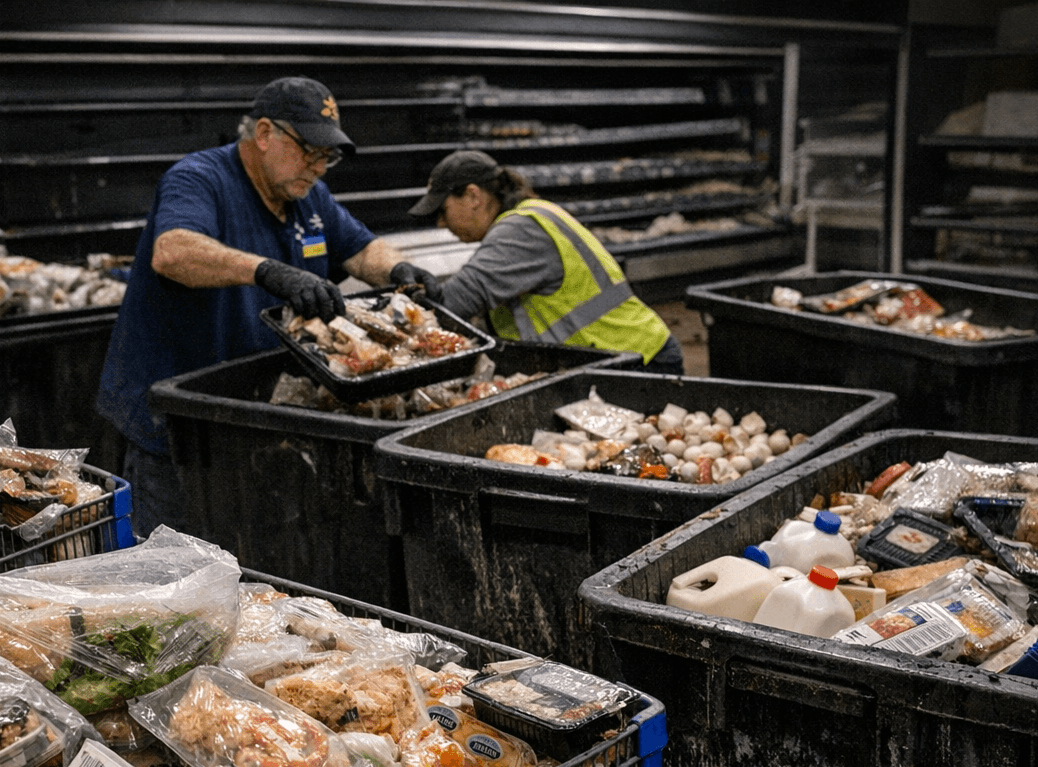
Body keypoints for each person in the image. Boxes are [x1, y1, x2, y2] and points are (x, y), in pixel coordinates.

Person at [95, 76, 439, 536]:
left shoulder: (307, 195)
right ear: (263, 134)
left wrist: (400, 271)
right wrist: (268, 271)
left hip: (251, 417)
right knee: (174, 570)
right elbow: (173, 252)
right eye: (309, 151)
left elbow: (360, 249)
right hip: (178, 426)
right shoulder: (200, 178)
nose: (319, 167)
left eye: (327, 156)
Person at [409, 149, 684, 374]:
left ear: (472, 196)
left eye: (443, 210)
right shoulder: (528, 217)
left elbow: (456, 301)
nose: (441, 222)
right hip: (622, 356)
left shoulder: (520, 230)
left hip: (639, 362)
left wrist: (395, 315)